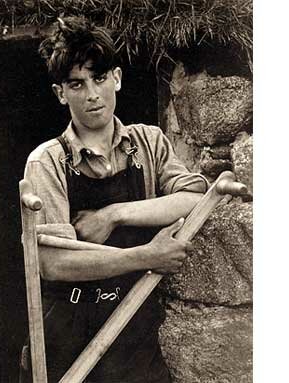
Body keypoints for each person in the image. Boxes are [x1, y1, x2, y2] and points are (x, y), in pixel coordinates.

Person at [19, 16, 209, 383]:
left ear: (117, 78)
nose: (92, 94)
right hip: (67, 333)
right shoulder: (47, 161)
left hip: (134, 326)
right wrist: (146, 256)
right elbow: (54, 262)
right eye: (77, 83)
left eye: (100, 78)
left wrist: (114, 214)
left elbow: (193, 197)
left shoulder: (149, 143)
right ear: (61, 93)